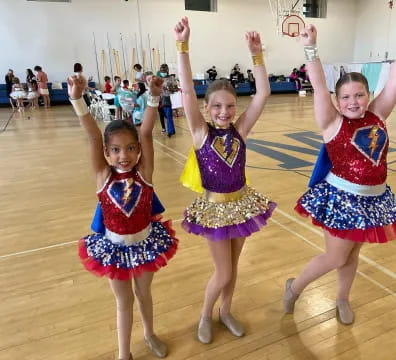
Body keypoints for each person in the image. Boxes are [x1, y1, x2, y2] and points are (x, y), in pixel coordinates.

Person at [283, 12, 396, 324]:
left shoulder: (378, 114)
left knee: (352, 255)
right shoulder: (332, 123)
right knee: (335, 256)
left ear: (369, 95)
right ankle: (296, 286)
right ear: (337, 100)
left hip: (374, 198)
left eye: (359, 94)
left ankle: (342, 298)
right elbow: (319, 86)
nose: (353, 101)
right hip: (342, 199)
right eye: (345, 96)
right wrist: (311, 49)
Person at [174, 17, 276, 344]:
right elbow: (186, 88)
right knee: (224, 271)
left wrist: (256, 55)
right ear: (206, 108)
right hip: (214, 210)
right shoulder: (200, 133)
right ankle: (205, 314)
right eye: (216, 106)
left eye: (230, 105)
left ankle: (226, 311)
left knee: (233, 267)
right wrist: (183, 47)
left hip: (242, 205)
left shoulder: (240, 130)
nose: (224, 111)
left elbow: (263, 92)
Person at [67, 73, 178, 360]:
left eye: (130, 149)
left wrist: (153, 98)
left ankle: (150, 334)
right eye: (115, 150)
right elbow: (93, 135)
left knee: (144, 294)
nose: (123, 155)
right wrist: (77, 98)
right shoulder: (103, 176)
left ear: (138, 151)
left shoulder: (145, 174)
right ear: (106, 153)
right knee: (123, 301)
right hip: (114, 248)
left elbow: (146, 132)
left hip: (145, 244)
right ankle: (123, 354)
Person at [157, 64, 177, 137]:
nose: (163, 72)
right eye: (161, 71)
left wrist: (168, 88)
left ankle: (170, 131)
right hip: (160, 99)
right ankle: (169, 129)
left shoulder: (171, 78)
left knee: (168, 115)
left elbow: (175, 89)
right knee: (164, 115)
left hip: (168, 98)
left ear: (167, 70)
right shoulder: (158, 79)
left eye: (164, 70)